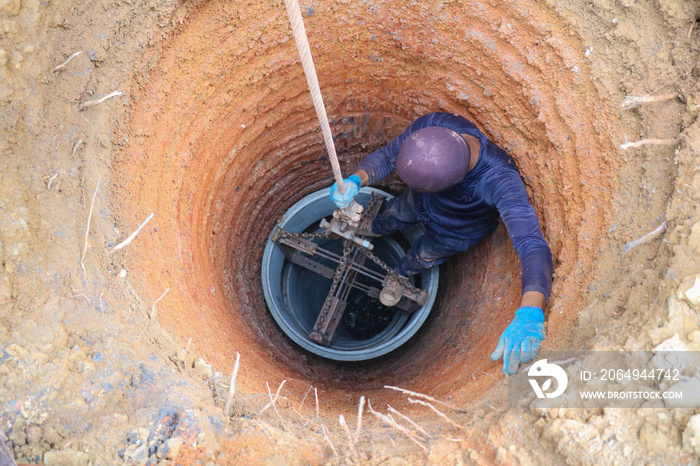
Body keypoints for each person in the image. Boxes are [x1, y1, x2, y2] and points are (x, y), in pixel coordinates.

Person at [329, 112, 553, 375]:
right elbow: (388, 156)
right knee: (391, 215)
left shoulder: (500, 180)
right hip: (418, 203)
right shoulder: (433, 126)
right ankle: (374, 227)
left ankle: (400, 275)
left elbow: (531, 244)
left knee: (423, 255)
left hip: (455, 231)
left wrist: (531, 309)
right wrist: (358, 179)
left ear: (454, 182)